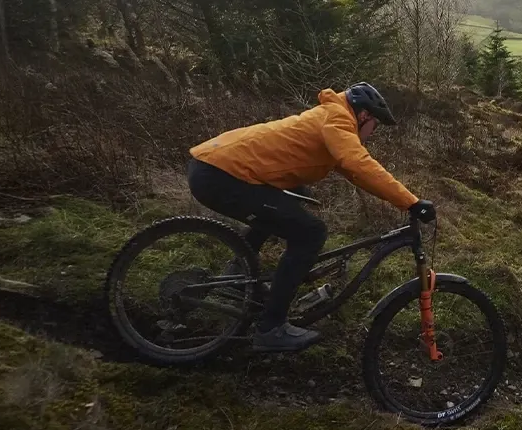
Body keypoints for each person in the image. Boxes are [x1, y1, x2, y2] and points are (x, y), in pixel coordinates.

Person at [187, 82, 436, 353]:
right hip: (220, 175)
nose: (372, 133)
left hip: (214, 167)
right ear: (364, 115)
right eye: (374, 125)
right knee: (310, 234)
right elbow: (358, 163)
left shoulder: (331, 116)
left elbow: (356, 173)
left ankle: (238, 273)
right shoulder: (338, 119)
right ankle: (271, 328)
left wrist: (403, 201)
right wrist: (412, 203)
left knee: (291, 200)